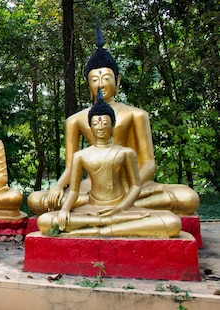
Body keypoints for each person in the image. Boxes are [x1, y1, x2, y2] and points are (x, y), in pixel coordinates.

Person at [28, 21, 199, 216]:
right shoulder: (75, 120)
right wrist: (58, 187)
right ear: (87, 84)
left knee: (188, 198)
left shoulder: (136, 114)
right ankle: (101, 206)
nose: (101, 84)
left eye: (106, 78)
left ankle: (104, 207)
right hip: (90, 188)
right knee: (37, 200)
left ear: (118, 81)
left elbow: (149, 163)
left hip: (132, 184)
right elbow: (71, 166)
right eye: (94, 80)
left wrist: (129, 190)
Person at [37, 94, 182, 237]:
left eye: (105, 123)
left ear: (113, 126)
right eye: (95, 124)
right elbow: (73, 191)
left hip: (121, 208)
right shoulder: (80, 155)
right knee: (45, 221)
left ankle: (97, 229)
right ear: (90, 127)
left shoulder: (126, 153)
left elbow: (136, 186)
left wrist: (120, 208)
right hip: (90, 208)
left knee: (172, 222)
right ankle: (104, 226)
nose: (100, 127)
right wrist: (65, 209)